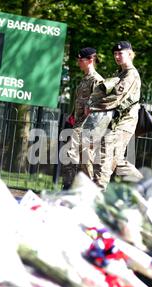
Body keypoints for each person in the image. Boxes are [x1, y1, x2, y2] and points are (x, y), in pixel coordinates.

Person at [87, 41, 143, 190]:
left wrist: (92, 107)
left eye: (121, 53)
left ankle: (98, 191)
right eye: (115, 54)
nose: (117, 56)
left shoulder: (131, 74)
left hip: (124, 123)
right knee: (116, 159)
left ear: (130, 54)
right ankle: (145, 186)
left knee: (106, 153)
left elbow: (116, 98)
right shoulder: (121, 73)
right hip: (117, 122)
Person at [62, 47, 104, 190]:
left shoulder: (97, 80)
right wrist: (72, 117)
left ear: (90, 60)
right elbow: (80, 101)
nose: (78, 62)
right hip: (77, 123)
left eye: (81, 60)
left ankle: (82, 188)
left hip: (87, 127)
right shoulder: (84, 79)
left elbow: (97, 108)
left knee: (80, 158)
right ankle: (70, 187)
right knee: (77, 157)